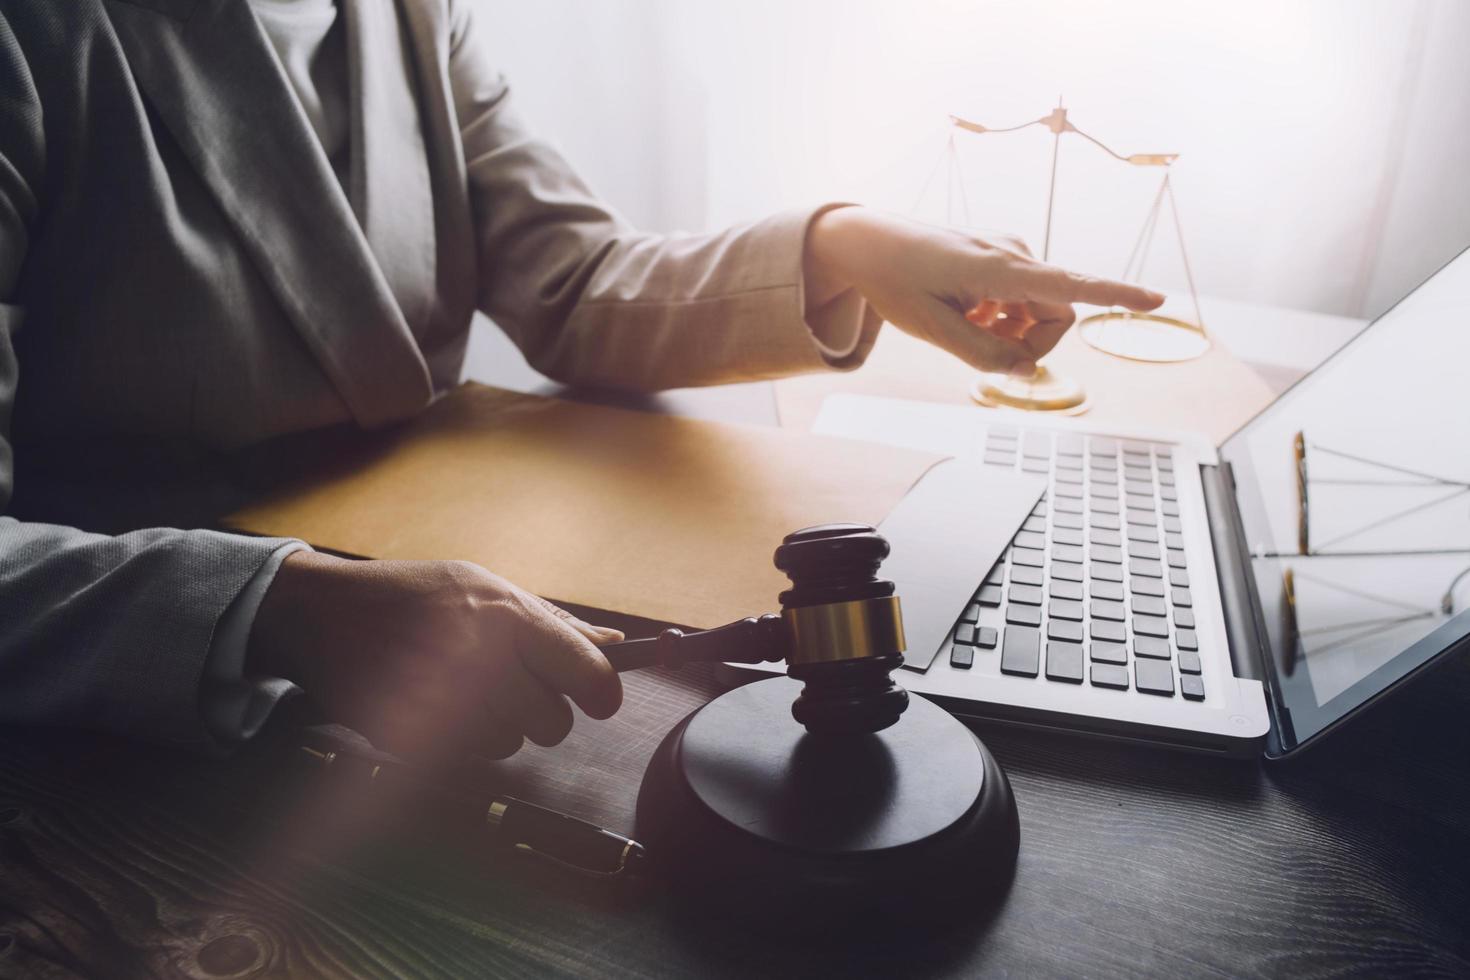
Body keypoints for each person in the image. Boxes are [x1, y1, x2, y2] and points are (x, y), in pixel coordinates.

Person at [0, 0, 1163, 767]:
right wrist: (286, 606)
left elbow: (574, 280)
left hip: (434, 669)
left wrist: (845, 248)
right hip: (140, 730)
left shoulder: (408, 13)